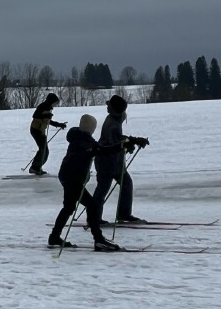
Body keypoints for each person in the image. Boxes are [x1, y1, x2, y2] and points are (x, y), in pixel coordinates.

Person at [48, 115, 120, 251]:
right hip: (72, 179)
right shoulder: (79, 141)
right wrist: (90, 152)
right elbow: (81, 154)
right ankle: (98, 240)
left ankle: (54, 236)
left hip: (69, 177)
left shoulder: (86, 139)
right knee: (91, 206)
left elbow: (101, 149)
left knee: (69, 207)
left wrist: (122, 146)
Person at [92, 95, 150, 225]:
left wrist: (132, 141)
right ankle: (95, 217)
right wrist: (131, 142)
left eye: (109, 105)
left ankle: (122, 214)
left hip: (114, 162)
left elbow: (118, 139)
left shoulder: (114, 120)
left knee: (125, 184)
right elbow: (114, 141)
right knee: (103, 188)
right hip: (106, 162)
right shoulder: (111, 123)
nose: (107, 107)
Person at [28, 92, 67, 175]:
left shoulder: (47, 107)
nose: (55, 105)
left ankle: (36, 167)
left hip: (40, 130)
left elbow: (48, 121)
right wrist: (46, 116)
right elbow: (36, 116)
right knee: (44, 150)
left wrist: (59, 124)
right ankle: (35, 167)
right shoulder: (44, 107)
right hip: (37, 130)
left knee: (44, 150)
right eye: (55, 103)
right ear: (51, 101)